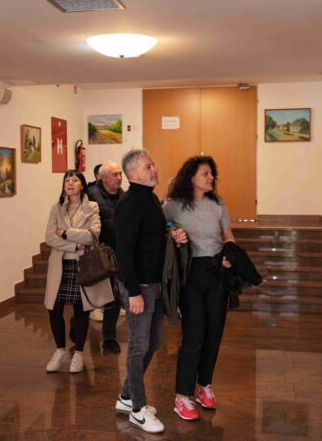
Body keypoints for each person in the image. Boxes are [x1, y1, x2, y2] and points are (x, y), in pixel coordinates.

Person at [114, 149, 187, 434]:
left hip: (155, 283)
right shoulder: (129, 202)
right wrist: (133, 292)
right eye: (148, 166)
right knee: (138, 345)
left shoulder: (150, 198)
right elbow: (124, 251)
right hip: (140, 286)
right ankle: (138, 409)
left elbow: (154, 232)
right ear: (133, 173)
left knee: (155, 341)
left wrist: (172, 231)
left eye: (153, 164)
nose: (154, 169)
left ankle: (126, 395)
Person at [162, 156, 235, 421]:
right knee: (194, 334)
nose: (211, 178)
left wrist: (230, 251)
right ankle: (182, 396)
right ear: (191, 177)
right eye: (205, 173)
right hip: (190, 273)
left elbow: (227, 235)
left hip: (217, 272)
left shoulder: (218, 204)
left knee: (214, 332)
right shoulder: (173, 205)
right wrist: (172, 230)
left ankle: (204, 385)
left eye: (212, 173)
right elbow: (160, 226)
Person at [44, 170, 113, 373]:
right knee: (54, 308)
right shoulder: (56, 208)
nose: (70, 183)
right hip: (60, 265)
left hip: (82, 265)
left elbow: (93, 235)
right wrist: (74, 245)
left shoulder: (92, 207)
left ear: (82, 184)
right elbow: (50, 237)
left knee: (81, 310)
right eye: (67, 180)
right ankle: (60, 350)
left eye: (75, 180)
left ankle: (79, 353)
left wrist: (65, 233)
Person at [86, 161, 125, 353]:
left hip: (116, 253)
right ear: (101, 177)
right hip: (96, 253)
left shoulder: (124, 196)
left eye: (120, 174)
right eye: (114, 174)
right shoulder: (90, 194)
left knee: (114, 296)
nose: (119, 178)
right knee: (91, 295)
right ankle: (77, 328)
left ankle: (109, 338)